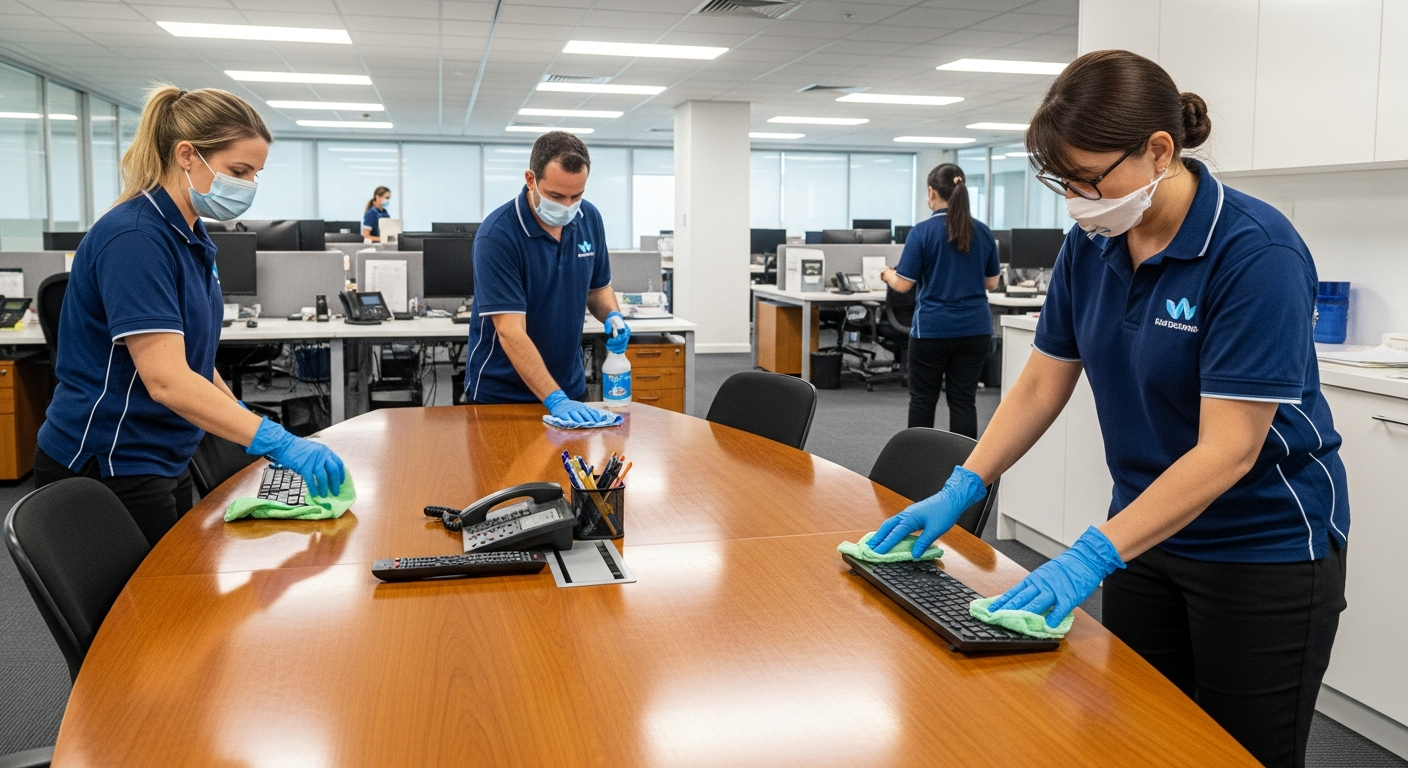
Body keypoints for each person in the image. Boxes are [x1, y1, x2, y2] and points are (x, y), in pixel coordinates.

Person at [868, 50, 1347, 768]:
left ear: (1159, 149)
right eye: (1062, 183)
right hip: (1145, 533)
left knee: (1240, 755)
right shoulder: (1091, 244)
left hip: (1262, 548)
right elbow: (1039, 384)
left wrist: (1089, 553)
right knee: (1139, 740)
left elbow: (1229, 449)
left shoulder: (1255, 252)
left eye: (1089, 180)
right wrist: (966, 483)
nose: (1076, 202)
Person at [35, 85, 347, 545]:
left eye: (255, 174)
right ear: (187, 155)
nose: (248, 187)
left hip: (163, 453)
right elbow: (167, 380)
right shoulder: (135, 238)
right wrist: (274, 440)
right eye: (238, 171)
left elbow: (194, 364)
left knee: (188, 595)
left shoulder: (190, 235)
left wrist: (243, 421)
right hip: (110, 460)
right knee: (157, 611)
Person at [464, 131, 629, 425]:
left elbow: (598, 288)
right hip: (503, 399)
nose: (567, 206)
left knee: (572, 472)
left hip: (571, 390)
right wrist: (554, 399)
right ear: (531, 180)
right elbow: (510, 332)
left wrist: (613, 314)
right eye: (556, 196)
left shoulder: (589, 218)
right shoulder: (497, 236)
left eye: (576, 195)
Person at [879, 164, 999, 437]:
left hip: (933, 330)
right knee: (963, 401)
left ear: (932, 192)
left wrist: (887, 274)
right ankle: (964, 470)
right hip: (976, 329)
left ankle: (918, 466)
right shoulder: (982, 231)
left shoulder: (922, 232)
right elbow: (992, 282)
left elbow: (903, 284)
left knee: (923, 399)